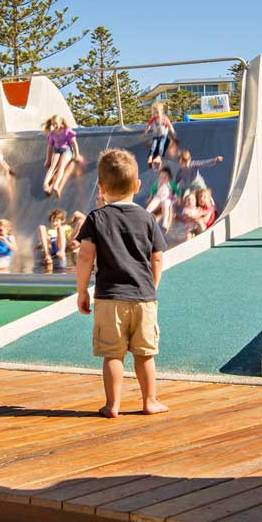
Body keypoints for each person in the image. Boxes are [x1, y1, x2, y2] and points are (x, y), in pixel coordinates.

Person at [75, 148, 168, 418]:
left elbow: (85, 257)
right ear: (137, 186)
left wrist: (82, 291)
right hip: (143, 297)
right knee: (145, 354)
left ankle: (112, 405)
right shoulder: (148, 218)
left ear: (101, 187)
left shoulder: (96, 218)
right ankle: (149, 401)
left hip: (109, 298)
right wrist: (151, 287)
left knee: (113, 355)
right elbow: (157, 258)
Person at [43, 115, 82, 197]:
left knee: (61, 166)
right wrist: (48, 159)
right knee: (52, 166)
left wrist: (77, 155)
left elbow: (74, 143)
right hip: (57, 150)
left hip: (67, 151)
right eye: (53, 124)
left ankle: (56, 185)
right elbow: (49, 147)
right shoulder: (52, 133)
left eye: (56, 124)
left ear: (61, 121)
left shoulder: (67, 131)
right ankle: (45, 184)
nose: (54, 126)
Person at [144, 167, 178, 232]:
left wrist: (178, 198)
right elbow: (153, 191)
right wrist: (150, 197)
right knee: (153, 203)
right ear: (159, 177)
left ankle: (165, 222)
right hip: (158, 197)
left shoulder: (171, 184)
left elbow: (176, 190)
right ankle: (146, 213)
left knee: (166, 207)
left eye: (165, 177)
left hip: (166, 199)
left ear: (169, 178)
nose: (163, 178)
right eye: (161, 176)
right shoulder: (157, 183)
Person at [144, 102, 175, 169]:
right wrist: (146, 130)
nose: (156, 114)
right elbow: (149, 124)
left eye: (157, 112)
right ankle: (150, 157)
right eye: (154, 113)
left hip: (163, 136)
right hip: (156, 136)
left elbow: (169, 125)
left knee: (161, 146)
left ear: (161, 111)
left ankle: (159, 157)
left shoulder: (164, 118)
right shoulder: (153, 118)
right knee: (153, 146)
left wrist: (172, 131)